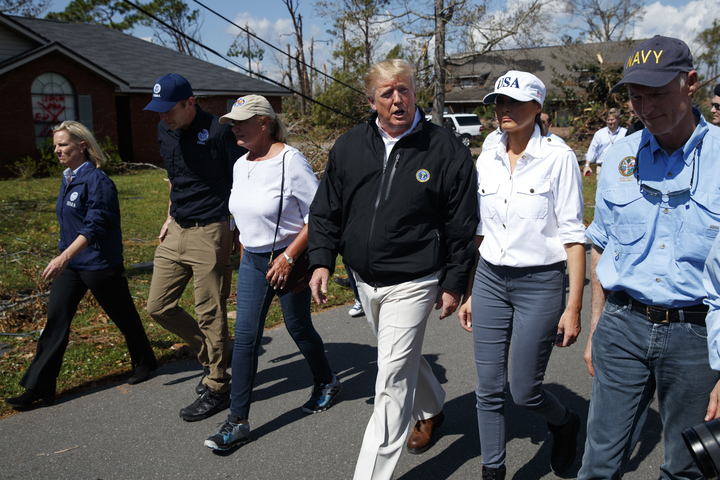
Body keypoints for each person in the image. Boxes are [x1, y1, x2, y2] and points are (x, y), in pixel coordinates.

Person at [308, 59, 478, 480]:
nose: (397, 99)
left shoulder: (444, 149)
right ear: (372, 100)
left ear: (415, 93)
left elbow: (462, 225)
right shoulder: (349, 146)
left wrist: (455, 281)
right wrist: (321, 259)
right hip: (364, 279)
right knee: (396, 358)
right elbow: (327, 209)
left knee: (390, 382)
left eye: (404, 90)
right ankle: (435, 406)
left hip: (416, 279)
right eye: (387, 93)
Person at [579, 36, 720, 480]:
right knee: (599, 463)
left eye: (657, 93)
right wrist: (598, 325)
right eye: (637, 96)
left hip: (698, 338)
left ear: (690, 83)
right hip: (622, 327)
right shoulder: (620, 154)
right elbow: (602, 241)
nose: (645, 106)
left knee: (686, 467)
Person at [458, 71, 586, 479]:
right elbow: (483, 230)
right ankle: (492, 470)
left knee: (524, 390)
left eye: (513, 102)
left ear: (537, 108)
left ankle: (565, 423)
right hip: (491, 279)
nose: (504, 110)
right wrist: (472, 290)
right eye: (498, 102)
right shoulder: (489, 152)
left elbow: (572, 238)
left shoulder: (558, 158)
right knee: (488, 389)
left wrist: (574, 306)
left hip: (541, 283)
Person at [203, 95, 341, 451]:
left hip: (289, 259)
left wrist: (290, 256)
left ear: (264, 123)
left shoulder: (290, 162)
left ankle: (325, 380)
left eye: (241, 122)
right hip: (252, 260)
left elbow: (319, 215)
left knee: (298, 327)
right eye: (231, 122)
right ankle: (238, 421)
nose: (234, 128)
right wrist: (241, 244)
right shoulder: (240, 163)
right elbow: (240, 210)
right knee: (246, 338)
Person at [5, 121, 157, 409]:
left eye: (63, 144)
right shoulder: (68, 179)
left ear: (82, 145)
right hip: (72, 265)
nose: (57, 150)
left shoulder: (99, 182)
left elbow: (94, 227)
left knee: (123, 316)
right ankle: (39, 387)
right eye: (55, 146)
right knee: (56, 320)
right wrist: (65, 256)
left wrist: (62, 257)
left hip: (99, 264)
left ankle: (145, 361)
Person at [143, 73, 245, 422]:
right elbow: (175, 178)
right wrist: (168, 215)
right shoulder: (164, 130)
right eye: (157, 111)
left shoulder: (218, 131)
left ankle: (218, 385)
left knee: (209, 310)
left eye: (168, 109)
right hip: (177, 228)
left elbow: (240, 180)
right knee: (157, 305)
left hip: (211, 229)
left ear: (190, 102)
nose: (163, 117)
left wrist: (237, 231)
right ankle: (212, 354)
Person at [582, 108, 627, 177]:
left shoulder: (624, 133)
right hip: (602, 168)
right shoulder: (600, 134)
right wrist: (587, 165)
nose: (610, 122)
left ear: (618, 119)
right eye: (608, 120)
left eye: (612, 120)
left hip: (620, 168)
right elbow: (592, 150)